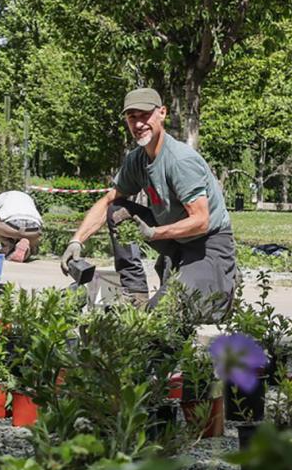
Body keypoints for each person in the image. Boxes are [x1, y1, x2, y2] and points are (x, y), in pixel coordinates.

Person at [60, 88, 237, 314]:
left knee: (164, 314)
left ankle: (217, 278)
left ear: (162, 113)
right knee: (118, 210)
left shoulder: (179, 161)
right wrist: (77, 241)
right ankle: (133, 291)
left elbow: (201, 221)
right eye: (132, 117)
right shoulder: (137, 159)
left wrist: (154, 233)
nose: (139, 124)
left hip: (208, 245)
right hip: (175, 241)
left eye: (145, 115)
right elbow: (108, 201)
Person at [0, 190, 43, 262]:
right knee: (28, 245)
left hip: (11, 226)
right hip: (34, 229)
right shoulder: (28, 198)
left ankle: (8, 244)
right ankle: (26, 248)